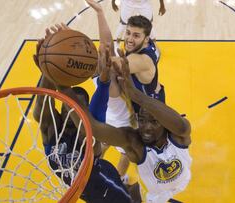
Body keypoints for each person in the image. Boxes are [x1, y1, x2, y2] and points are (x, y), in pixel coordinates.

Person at [51, 44, 192, 202]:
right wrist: (62, 87)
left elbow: (182, 126)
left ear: (165, 125)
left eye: (154, 122)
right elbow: (93, 128)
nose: (146, 127)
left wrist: (134, 93)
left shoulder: (178, 136)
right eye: (142, 120)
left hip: (182, 182)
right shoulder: (134, 142)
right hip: (151, 197)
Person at [32, 25, 132, 203]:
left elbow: (101, 94)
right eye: (67, 105)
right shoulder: (52, 131)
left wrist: (103, 78)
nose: (72, 109)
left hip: (106, 185)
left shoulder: (89, 130)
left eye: (79, 105)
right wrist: (48, 67)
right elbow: (42, 105)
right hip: (82, 189)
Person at [87, 0, 166, 182]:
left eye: (136, 35)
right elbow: (108, 48)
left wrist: (86, 59)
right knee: (114, 143)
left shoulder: (140, 60)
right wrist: (100, 12)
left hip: (147, 113)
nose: (129, 39)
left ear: (147, 38)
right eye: (128, 33)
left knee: (129, 150)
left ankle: (118, 177)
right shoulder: (143, 48)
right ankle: (93, 166)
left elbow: (109, 58)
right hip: (138, 103)